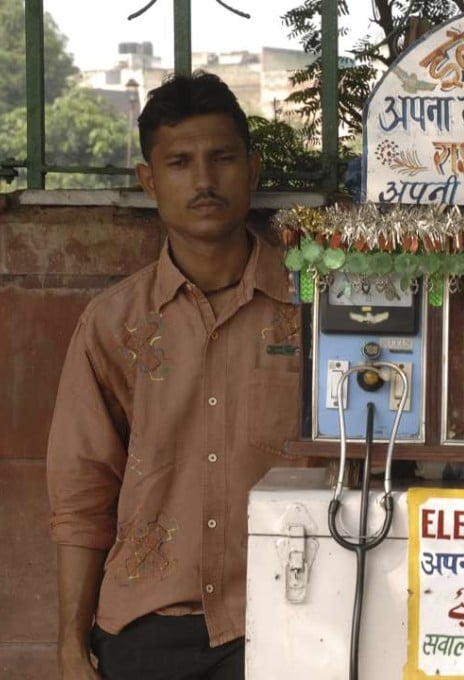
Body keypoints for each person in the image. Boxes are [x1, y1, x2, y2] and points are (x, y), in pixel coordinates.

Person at [47, 72, 304, 679]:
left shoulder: (317, 312)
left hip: (287, 617)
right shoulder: (112, 325)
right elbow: (83, 492)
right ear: (148, 180)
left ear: (254, 168)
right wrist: (67, 641)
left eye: (222, 158)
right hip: (145, 627)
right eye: (180, 162)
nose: (205, 180)